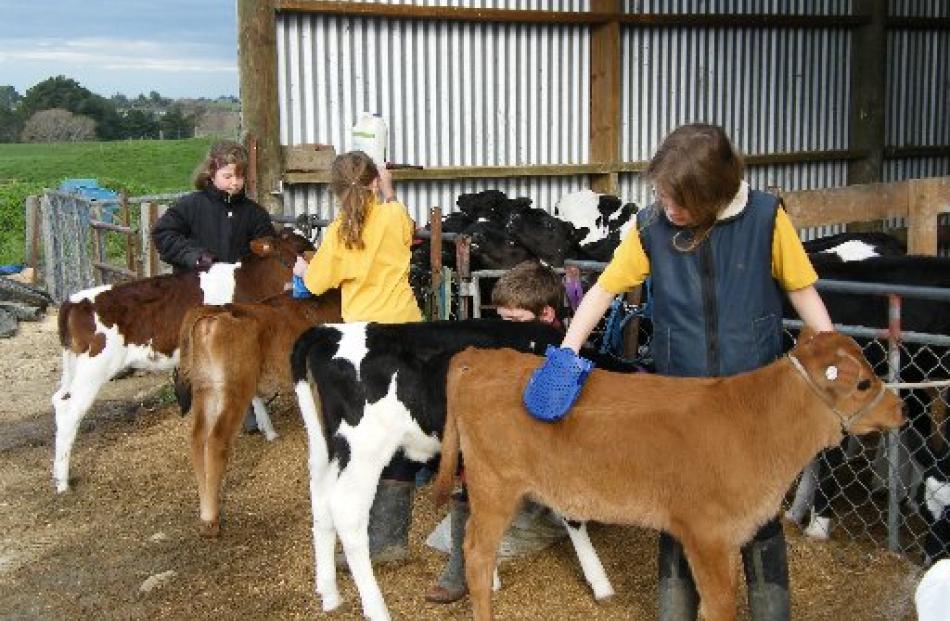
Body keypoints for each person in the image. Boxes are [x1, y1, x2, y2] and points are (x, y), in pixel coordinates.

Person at [558, 123, 834, 621]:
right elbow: (602, 291)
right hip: (682, 398)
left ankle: (772, 610)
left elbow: (801, 289)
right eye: (662, 194)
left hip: (753, 400)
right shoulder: (649, 229)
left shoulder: (767, 219)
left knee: (760, 511)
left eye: (678, 200)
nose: (667, 207)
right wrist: (566, 351)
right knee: (680, 509)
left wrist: (832, 354)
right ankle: (676, 610)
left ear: (713, 197)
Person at [298, 150, 422, 564]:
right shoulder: (394, 215)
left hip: (363, 343)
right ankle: (390, 538)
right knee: (403, 426)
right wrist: (388, 190)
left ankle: (358, 532)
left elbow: (317, 284)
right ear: (374, 182)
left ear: (336, 191)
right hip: (406, 333)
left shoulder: (336, 232)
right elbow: (406, 231)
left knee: (365, 433)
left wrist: (302, 270)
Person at [426, 259, 567, 604]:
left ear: (546, 315)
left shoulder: (562, 348)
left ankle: (468, 557)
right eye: (501, 322)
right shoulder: (508, 348)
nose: (506, 332)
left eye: (514, 323)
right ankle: (464, 558)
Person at [152, 140, 275, 432]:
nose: (235, 183)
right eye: (228, 176)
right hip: (197, 292)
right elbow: (164, 234)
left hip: (237, 298)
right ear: (211, 173)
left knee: (238, 352)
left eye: (240, 176)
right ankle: (196, 400)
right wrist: (194, 256)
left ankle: (244, 407)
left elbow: (265, 252)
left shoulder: (254, 214)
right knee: (199, 351)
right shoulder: (190, 206)